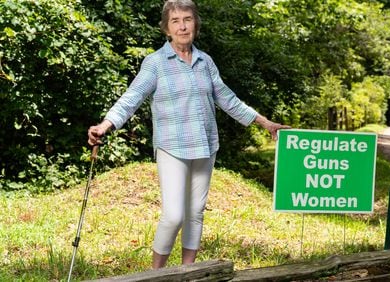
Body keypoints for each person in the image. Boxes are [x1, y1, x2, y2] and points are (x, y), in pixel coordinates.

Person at [87, 0, 289, 269]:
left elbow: (228, 99)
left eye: (187, 19)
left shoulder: (205, 61)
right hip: (172, 146)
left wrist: (266, 123)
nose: (182, 26)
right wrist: (105, 125)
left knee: (195, 213)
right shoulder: (155, 63)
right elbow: (131, 98)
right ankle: (155, 274)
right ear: (166, 29)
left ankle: (187, 272)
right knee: (173, 215)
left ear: (195, 24)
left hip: (205, 145)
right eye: (175, 21)